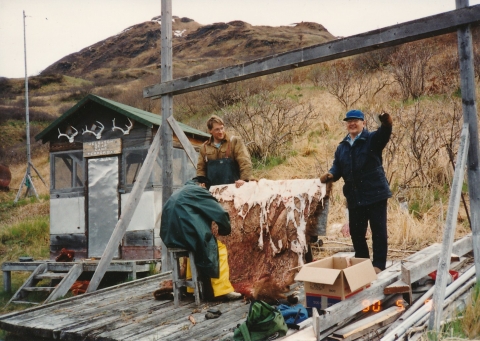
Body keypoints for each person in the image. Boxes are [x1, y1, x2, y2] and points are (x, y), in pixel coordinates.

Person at [320, 109, 392, 273]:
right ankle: (363, 265)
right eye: (349, 121)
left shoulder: (372, 139)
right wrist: (331, 174)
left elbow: (384, 133)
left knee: (378, 232)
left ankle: (379, 266)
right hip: (354, 197)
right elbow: (337, 166)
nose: (352, 123)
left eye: (356, 120)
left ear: (363, 123)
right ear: (346, 124)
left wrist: (387, 123)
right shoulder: (342, 147)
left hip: (375, 195)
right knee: (357, 234)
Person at [160, 176, 242, 300]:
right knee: (219, 249)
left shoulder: (181, 191)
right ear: (203, 185)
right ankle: (222, 290)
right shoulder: (199, 190)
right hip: (186, 236)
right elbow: (220, 212)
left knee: (192, 250)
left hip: (170, 238)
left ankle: (191, 289)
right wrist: (224, 230)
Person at [196, 115, 253, 188]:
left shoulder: (234, 141)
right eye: (217, 129)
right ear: (210, 131)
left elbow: (244, 161)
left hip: (234, 188)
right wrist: (201, 182)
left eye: (222, 128)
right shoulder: (204, 147)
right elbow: (201, 168)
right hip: (213, 190)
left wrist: (244, 179)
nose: (221, 132)